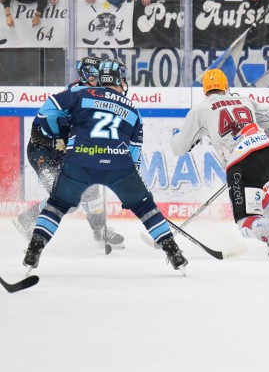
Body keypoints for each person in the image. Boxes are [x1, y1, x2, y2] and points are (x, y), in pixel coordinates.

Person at [23, 59, 188, 273]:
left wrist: (56, 134)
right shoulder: (132, 109)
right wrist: (133, 187)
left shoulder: (80, 94)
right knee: (146, 208)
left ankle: (34, 249)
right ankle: (173, 252)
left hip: (80, 161)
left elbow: (48, 110)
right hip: (119, 166)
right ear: (120, 80)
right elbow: (135, 153)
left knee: (57, 205)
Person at [170, 68, 269, 259]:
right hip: (267, 155)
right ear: (226, 86)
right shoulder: (244, 100)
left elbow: (179, 148)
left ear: (205, 90)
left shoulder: (201, 109)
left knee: (246, 221)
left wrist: (186, 140)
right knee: (260, 197)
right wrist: (264, 139)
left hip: (241, 163)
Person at [14, 56, 126, 249]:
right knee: (68, 199)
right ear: (83, 76)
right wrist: (57, 136)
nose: (97, 82)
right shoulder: (75, 93)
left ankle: (99, 232)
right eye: (92, 78)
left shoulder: (99, 95)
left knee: (91, 188)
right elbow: (45, 116)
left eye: (99, 78)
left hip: (67, 153)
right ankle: (28, 220)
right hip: (44, 151)